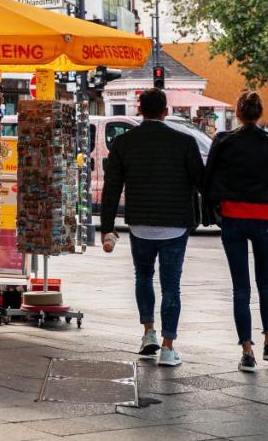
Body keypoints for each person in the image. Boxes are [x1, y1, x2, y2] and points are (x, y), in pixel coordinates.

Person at [100, 87, 205, 368]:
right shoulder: (185, 142)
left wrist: (106, 227)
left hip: (140, 225)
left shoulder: (123, 143)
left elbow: (111, 188)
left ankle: (148, 333)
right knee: (172, 286)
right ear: (165, 111)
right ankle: (168, 348)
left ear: (139, 110)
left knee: (143, 277)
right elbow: (200, 182)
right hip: (174, 226)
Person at [203, 90, 268, 373]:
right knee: (266, 282)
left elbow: (208, 179)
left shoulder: (224, 142)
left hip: (233, 218)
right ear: (259, 113)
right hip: (264, 219)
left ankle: (247, 351)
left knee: (240, 287)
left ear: (238, 112)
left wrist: (209, 213)